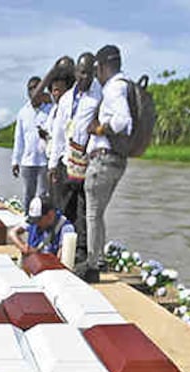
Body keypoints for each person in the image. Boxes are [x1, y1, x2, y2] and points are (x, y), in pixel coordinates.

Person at [84, 45, 132, 283]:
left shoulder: (114, 88)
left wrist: (99, 128)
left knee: (92, 214)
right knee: (98, 213)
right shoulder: (125, 86)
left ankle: (92, 266)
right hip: (117, 160)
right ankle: (98, 259)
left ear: (102, 67)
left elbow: (123, 121)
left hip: (103, 158)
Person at [56, 52, 100, 270]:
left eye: (89, 73)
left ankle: (81, 251)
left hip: (87, 161)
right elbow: (57, 132)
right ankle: (63, 244)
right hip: (67, 160)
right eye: (82, 72)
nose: (85, 77)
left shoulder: (98, 97)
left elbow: (101, 128)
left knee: (85, 207)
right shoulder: (66, 99)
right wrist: (52, 163)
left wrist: (89, 148)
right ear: (75, 73)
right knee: (65, 205)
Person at [10, 76, 52, 201]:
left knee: (44, 195)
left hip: (45, 161)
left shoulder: (50, 109)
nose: (34, 91)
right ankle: (29, 218)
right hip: (28, 161)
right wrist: (15, 161)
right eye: (30, 88)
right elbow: (19, 139)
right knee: (29, 194)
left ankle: (43, 220)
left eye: (37, 87)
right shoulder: (23, 112)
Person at [10, 195, 74, 256]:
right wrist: (23, 247)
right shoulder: (32, 221)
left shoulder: (66, 229)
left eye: (38, 220)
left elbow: (62, 258)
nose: (36, 223)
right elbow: (12, 232)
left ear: (50, 215)